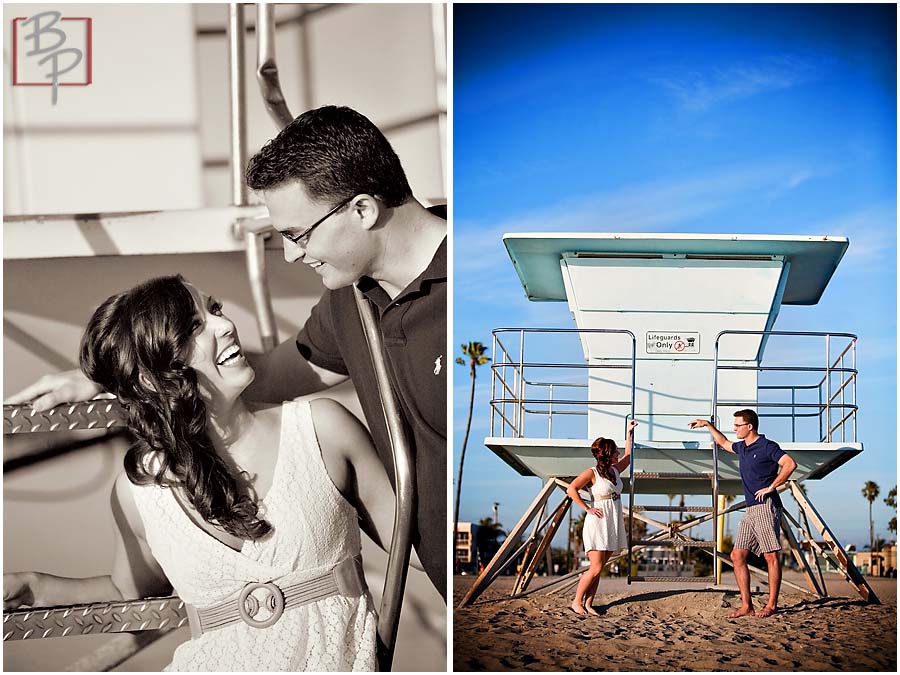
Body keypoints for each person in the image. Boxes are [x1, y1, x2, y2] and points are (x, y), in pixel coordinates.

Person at [6, 106, 448, 599]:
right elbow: (271, 373)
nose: (293, 255)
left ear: (362, 210)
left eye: (297, 235)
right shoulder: (350, 299)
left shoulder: (476, 278)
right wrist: (117, 373)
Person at [4, 275, 417, 671]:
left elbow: (415, 552)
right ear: (158, 370)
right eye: (195, 326)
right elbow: (130, 593)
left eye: (215, 309)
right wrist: (37, 586)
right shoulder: (139, 492)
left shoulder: (322, 428)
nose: (227, 324)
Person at [689, 410, 797, 618]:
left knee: (770, 556)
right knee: (737, 555)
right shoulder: (742, 447)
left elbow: (790, 464)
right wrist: (707, 425)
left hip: (766, 506)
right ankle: (746, 605)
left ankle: (772, 605)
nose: (734, 428)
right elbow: (724, 443)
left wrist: (772, 486)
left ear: (750, 427)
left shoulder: (767, 446)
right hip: (750, 509)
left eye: (738, 425)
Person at [566, 420, 637, 615]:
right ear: (607, 454)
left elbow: (629, 456)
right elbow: (571, 489)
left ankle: (589, 604)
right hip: (597, 521)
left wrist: (629, 433)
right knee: (595, 568)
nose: (618, 454)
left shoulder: (614, 470)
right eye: (615, 452)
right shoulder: (592, 472)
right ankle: (576, 602)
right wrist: (587, 508)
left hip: (612, 521)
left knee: (600, 569)